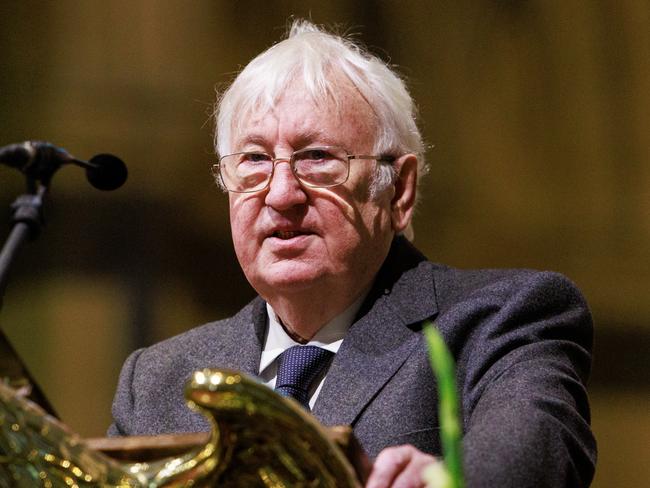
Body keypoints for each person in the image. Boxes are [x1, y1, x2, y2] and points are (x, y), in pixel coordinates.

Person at [109, 20, 596, 487]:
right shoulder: (157, 380)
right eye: (254, 160)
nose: (281, 194)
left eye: (317, 158)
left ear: (399, 190)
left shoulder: (500, 319)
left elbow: (533, 454)